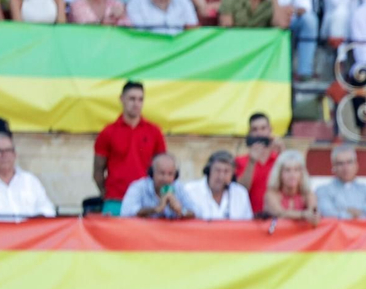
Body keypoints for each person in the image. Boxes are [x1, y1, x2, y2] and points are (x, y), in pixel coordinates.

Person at [93, 80, 166, 216]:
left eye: (140, 99)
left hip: (145, 202)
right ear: (122, 99)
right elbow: (97, 172)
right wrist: (107, 194)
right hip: (115, 201)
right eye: (132, 98)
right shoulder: (108, 132)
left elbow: (163, 169)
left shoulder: (154, 132)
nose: (136, 103)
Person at [0, 132, 56, 221]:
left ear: (15, 154)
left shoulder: (30, 181)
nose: (4, 155)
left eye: (8, 150)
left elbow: (48, 211)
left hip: (28, 236)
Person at [181, 150, 254, 220]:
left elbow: (248, 224)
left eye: (226, 171)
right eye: (217, 170)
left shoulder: (240, 193)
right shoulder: (190, 190)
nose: (221, 176)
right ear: (209, 170)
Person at [315, 144, 366, 218]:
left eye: (349, 162)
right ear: (334, 167)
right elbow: (327, 212)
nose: (345, 168)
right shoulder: (324, 190)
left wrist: (342, 209)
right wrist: (359, 214)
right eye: (340, 163)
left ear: (356, 165)